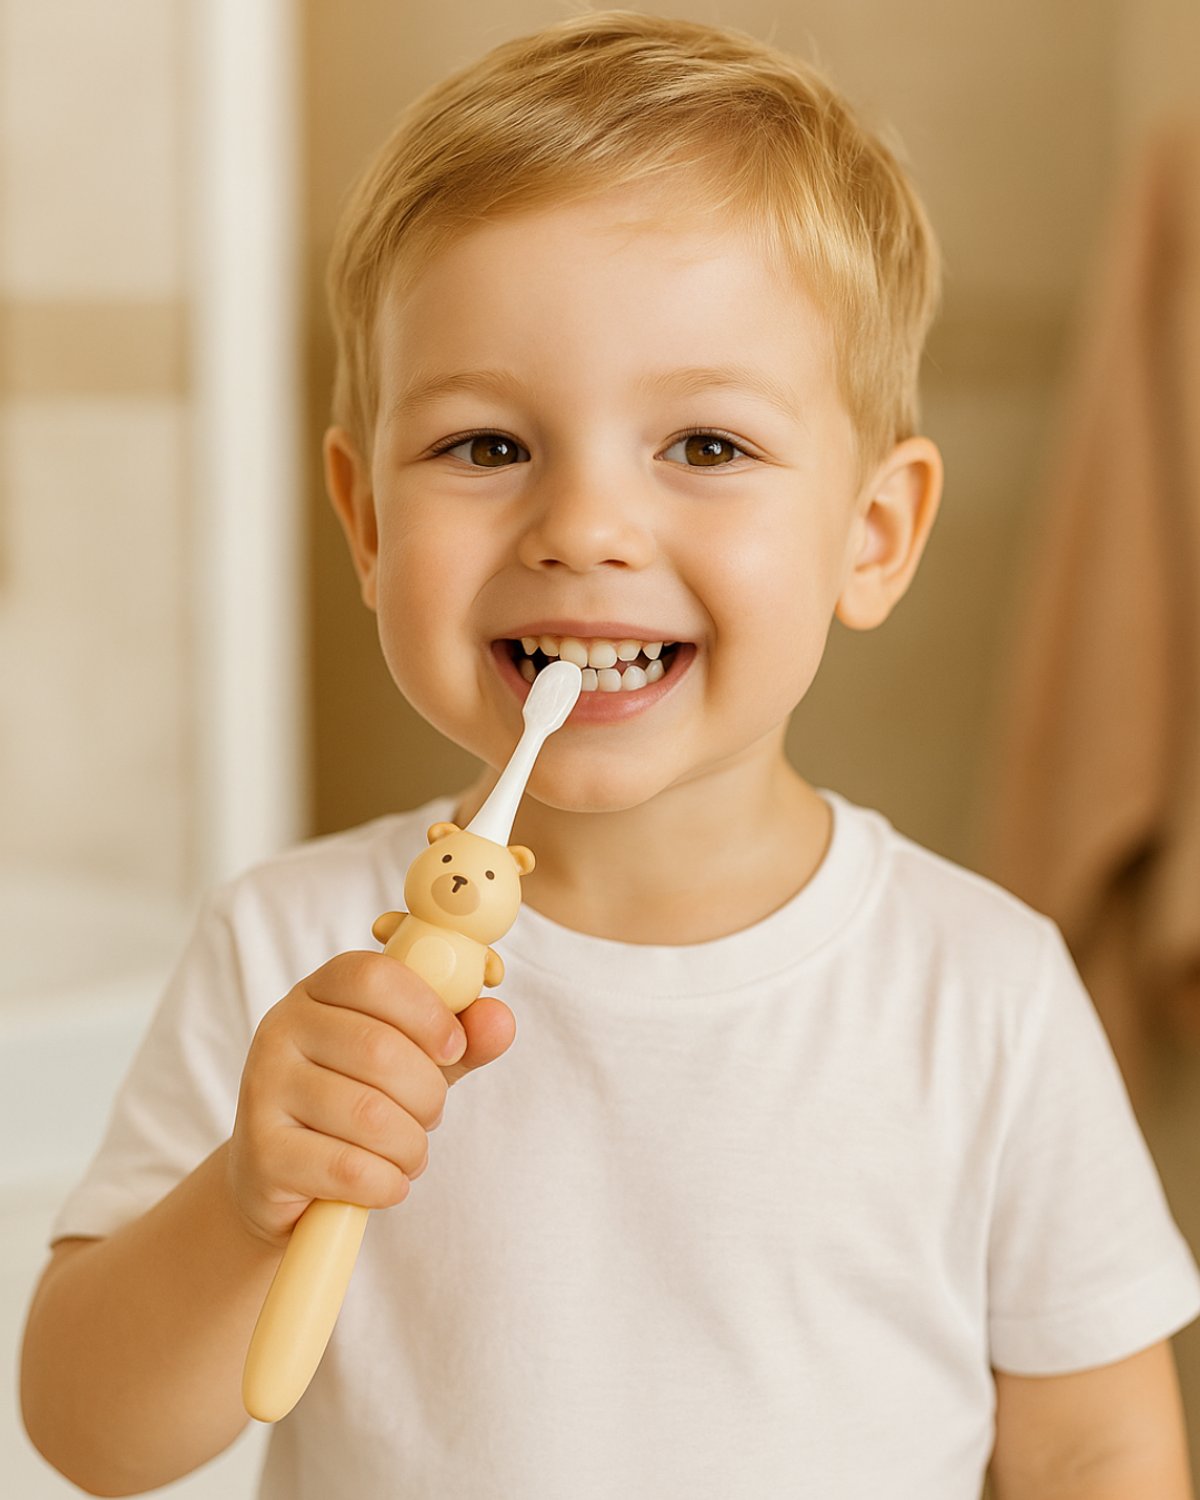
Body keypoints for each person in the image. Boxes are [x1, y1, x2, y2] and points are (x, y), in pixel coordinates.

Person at [20, 13, 1200, 1498]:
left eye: (705, 446)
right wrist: (247, 1201)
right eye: (487, 446)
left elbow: (1099, 1443)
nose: (583, 527)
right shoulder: (291, 956)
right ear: (367, 525)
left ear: (873, 533)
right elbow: (85, 1433)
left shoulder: (983, 995)